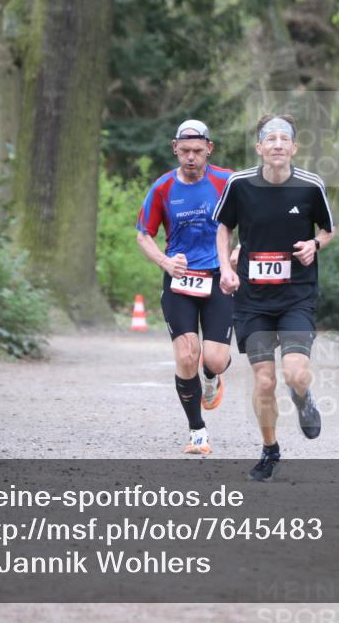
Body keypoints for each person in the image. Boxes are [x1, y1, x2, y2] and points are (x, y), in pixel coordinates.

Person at [214, 114, 335, 481]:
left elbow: (328, 230)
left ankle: (303, 397)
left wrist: (314, 244)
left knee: (296, 374)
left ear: (294, 148)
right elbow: (223, 228)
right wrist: (226, 269)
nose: (278, 144)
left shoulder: (310, 186)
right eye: (271, 138)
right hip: (252, 300)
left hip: (297, 295)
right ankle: (270, 450)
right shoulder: (239, 184)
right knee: (264, 381)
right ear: (260, 148)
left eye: (285, 139)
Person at [136, 120, 235, 455]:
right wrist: (164, 262)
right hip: (179, 279)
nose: (191, 157)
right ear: (174, 148)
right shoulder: (163, 188)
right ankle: (197, 431)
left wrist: (238, 252)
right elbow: (143, 235)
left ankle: (212, 377)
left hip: (218, 277)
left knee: (216, 359)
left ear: (209, 148)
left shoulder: (227, 181)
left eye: (197, 151)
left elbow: (252, 221)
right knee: (186, 354)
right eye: (185, 151)